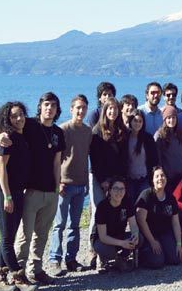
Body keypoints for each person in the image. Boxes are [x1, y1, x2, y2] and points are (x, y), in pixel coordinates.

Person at [13, 92, 65, 285]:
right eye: (46, 105)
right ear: (40, 107)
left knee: (42, 234)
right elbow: (11, 125)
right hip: (31, 190)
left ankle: (36, 269)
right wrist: (0, 134)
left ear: (57, 109)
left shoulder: (58, 133)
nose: (49, 108)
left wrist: (57, 186)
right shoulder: (30, 125)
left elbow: (57, 162)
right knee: (24, 234)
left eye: (53, 105)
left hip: (50, 192)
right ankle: (18, 272)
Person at [0, 101, 37, 291]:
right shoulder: (7, 138)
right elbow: (1, 168)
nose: (19, 119)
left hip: (18, 192)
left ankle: (0, 278)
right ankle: (19, 278)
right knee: (8, 239)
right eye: (14, 116)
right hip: (5, 192)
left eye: (21, 115)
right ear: (7, 119)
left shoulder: (22, 135)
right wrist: (7, 195)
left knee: (7, 236)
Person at [48, 94, 92, 275]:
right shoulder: (63, 129)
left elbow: (86, 156)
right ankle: (54, 259)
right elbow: (55, 158)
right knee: (59, 224)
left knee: (75, 224)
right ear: (71, 109)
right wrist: (57, 181)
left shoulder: (88, 131)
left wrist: (87, 181)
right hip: (64, 184)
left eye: (84, 108)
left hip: (80, 184)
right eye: (78, 108)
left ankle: (71, 259)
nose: (81, 111)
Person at [89, 97, 128, 249]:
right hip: (101, 179)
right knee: (99, 212)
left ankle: (113, 246)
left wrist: (121, 180)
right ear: (104, 111)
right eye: (110, 109)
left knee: (117, 212)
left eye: (115, 109)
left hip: (117, 180)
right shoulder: (97, 131)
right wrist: (103, 180)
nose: (113, 112)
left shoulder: (121, 131)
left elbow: (124, 159)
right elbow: (95, 159)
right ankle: (94, 248)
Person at [136, 166, 182, 268]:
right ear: (152, 180)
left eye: (162, 175)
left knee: (176, 259)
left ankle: (164, 250)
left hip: (164, 233)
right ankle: (142, 254)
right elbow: (141, 221)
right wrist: (152, 241)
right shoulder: (146, 195)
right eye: (157, 176)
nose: (160, 178)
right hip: (149, 234)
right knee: (157, 262)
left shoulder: (170, 198)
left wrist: (179, 244)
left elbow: (175, 222)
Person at [91, 176, 139, 272]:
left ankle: (121, 258)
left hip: (119, 236)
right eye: (116, 188)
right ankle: (105, 259)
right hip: (102, 240)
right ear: (110, 190)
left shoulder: (127, 202)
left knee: (139, 238)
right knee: (107, 250)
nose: (119, 192)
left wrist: (135, 236)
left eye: (122, 189)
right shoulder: (102, 207)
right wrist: (122, 243)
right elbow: (103, 236)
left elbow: (133, 225)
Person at [154, 105, 182, 194]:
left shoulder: (181, 134)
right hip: (166, 176)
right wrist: (162, 173)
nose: (171, 120)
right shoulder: (159, 135)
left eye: (174, 117)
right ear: (165, 119)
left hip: (180, 175)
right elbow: (157, 157)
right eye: (168, 118)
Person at [126, 109, 158, 204]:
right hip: (129, 179)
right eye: (135, 120)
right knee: (130, 205)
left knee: (143, 205)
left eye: (140, 121)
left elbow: (154, 159)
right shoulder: (125, 137)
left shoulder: (148, 138)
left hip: (144, 178)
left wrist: (152, 178)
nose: (137, 124)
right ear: (130, 121)